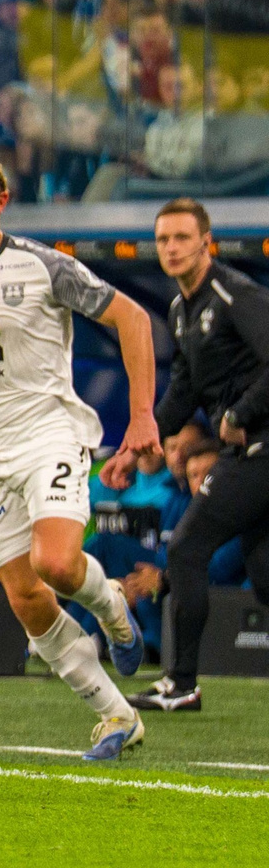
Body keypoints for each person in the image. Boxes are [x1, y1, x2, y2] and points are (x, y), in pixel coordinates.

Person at [0, 150, 159, 762]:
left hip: (48, 433)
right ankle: (115, 715)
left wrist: (143, 413)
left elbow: (132, 319)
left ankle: (113, 605)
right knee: (25, 597)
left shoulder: (45, 266)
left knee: (55, 562)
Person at [135, 198, 269, 713]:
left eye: (181, 238)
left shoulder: (234, 294)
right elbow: (183, 394)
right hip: (248, 450)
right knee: (267, 575)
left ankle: (181, 683)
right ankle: (181, 682)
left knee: (187, 547)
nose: (171, 247)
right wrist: (136, 445)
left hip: (261, 448)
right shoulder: (178, 310)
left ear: (206, 242)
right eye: (163, 239)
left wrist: (239, 415)